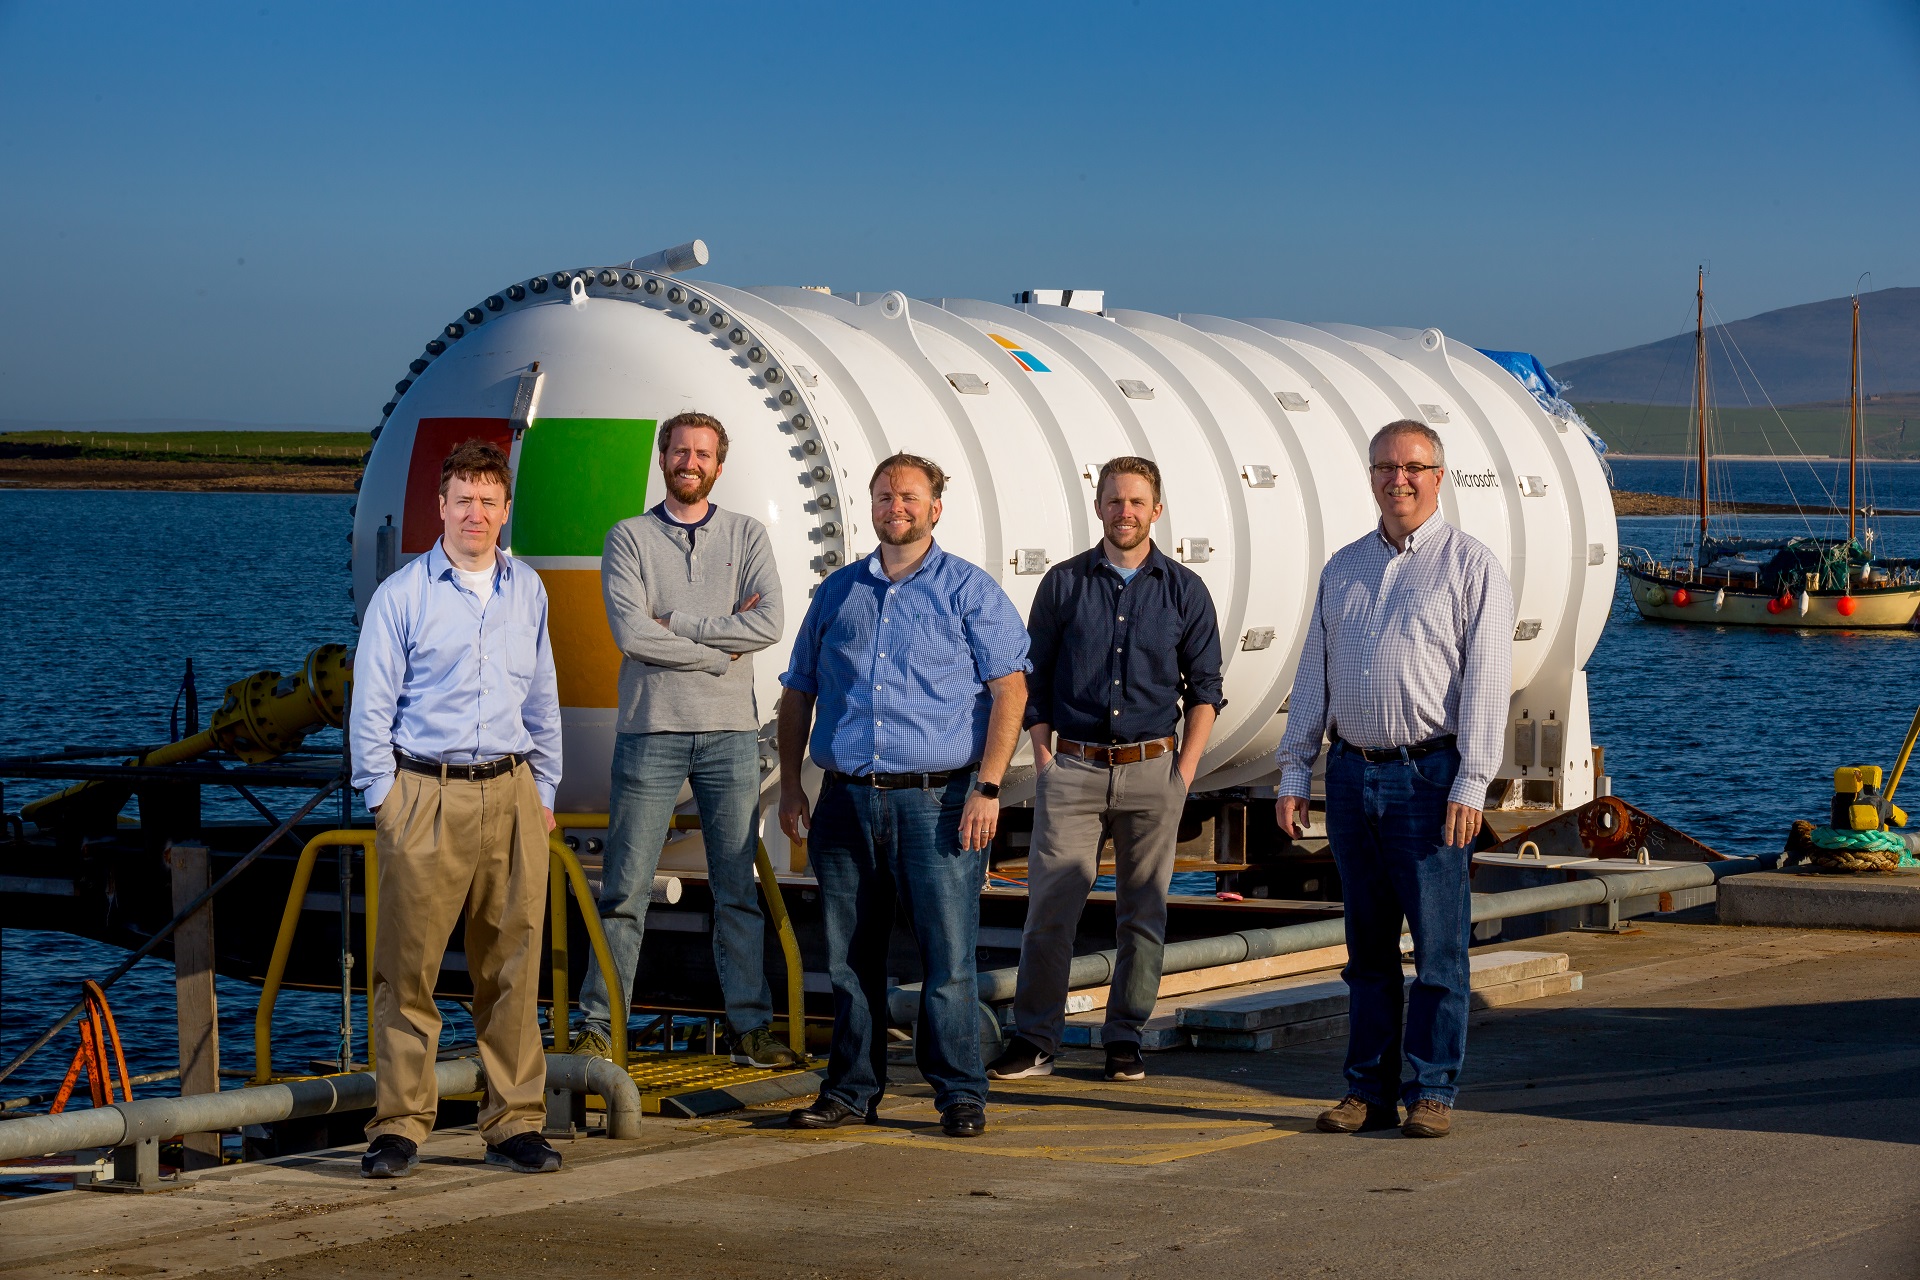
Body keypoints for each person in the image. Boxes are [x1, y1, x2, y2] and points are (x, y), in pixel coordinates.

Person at [776, 453, 1030, 1138]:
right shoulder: (838, 594)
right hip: (845, 801)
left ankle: (959, 1094)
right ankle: (851, 1090)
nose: (897, 507)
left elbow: (1012, 690)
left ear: (935, 507)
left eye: (910, 497)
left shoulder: (968, 591)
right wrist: (792, 784)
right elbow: (798, 689)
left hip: (939, 803)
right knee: (850, 959)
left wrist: (989, 787)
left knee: (948, 958)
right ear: (873, 505)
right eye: (886, 496)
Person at [1274, 419, 1514, 1140]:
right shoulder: (1342, 569)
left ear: (1439, 476)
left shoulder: (1472, 568)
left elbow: (1487, 684)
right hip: (1351, 776)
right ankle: (1366, 1092)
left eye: (1412, 467)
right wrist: (1294, 769)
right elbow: (1311, 678)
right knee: (1367, 951)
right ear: (1371, 476)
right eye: (1384, 466)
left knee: (1438, 950)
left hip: (1429, 778)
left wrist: (1473, 781)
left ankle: (1432, 1090)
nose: (1397, 479)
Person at [350, 438, 565, 1178]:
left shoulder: (528, 589)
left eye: (488, 502)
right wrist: (386, 801)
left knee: (513, 966)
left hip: (511, 792)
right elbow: (370, 710)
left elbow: (541, 697)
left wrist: (543, 791)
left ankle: (514, 1124)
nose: (476, 514)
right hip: (426, 794)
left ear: (507, 512)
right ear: (439, 508)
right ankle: (400, 1126)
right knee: (407, 971)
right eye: (462, 500)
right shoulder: (402, 596)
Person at [988, 456, 1223, 1084]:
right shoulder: (1064, 584)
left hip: (1153, 772)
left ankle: (1124, 1037)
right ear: (1099, 508)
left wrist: (1184, 773)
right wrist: (1043, 758)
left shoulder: (1183, 591)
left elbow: (1204, 690)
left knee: (1143, 915)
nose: (1125, 512)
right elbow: (1031, 677)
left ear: (1156, 510)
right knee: (1050, 912)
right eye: (1114, 501)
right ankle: (1035, 1038)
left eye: (1137, 503)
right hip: (1074, 768)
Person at [575, 411, 795, 1069]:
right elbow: (633, 635)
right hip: (650, 731)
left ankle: (750, 1028)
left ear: (718, 465)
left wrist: (687, 624)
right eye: (679, 451)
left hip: (730, 734)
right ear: (662, 458)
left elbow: (770, 624)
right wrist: (710, 654)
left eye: (702, 453)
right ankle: (598, 1026)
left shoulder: (745, 534)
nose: (689, 462)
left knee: (736, 888)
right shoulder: (630, 537)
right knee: (624, 891)